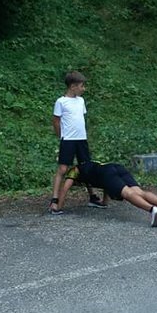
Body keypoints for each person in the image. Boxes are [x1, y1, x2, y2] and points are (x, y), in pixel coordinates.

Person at [56, 161, 157, 227]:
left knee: (128, 194)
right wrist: (104, 202)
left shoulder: (73, 171)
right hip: (115, 166)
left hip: (107, 174)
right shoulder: (89, 166)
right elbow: (105, 185)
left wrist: (58, 206)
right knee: (138, 191)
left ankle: (152, 210)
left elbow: (64, 189)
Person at [49, 71, 101, 215]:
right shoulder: (61, 102)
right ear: (73, 86)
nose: (83, 89)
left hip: (81, 139)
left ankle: (92, 196)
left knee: (86, 168)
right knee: (63, 169)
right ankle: (54, 199)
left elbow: (80, 119)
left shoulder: (81, 101)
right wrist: (61, 136)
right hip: (68, 140)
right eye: (81, 86)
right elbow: (56, 121)